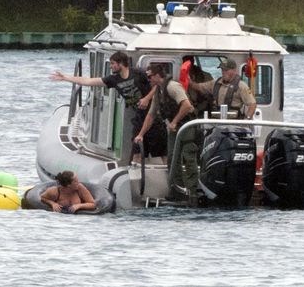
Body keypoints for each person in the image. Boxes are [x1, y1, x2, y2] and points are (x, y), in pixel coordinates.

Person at [51, 51, 162, 163]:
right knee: (136, 151)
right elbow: (89, 81)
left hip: (154, 115)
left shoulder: (139, 73)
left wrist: (147, 99)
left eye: (113, 63)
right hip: (140, 116)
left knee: (158, 150)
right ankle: (135, 173)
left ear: (121, 64)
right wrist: (66, 77)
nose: (111, 66)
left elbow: (158, 84)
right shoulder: (114, 79)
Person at [134, 64, 199, 201]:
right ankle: (177, 191)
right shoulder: (158, 91)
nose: (149, 79)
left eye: (150, 76)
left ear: (158, 75)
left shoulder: (172, 87)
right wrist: (141, 134)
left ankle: (192, 192)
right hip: (174, 129)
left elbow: (186, 105)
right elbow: (151, 115)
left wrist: (174, 121)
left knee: (188, 157)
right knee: (172, 158)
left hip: (186, 126)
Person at [190, 58, 257, 119]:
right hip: (216, 122)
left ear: (234, 70)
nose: (223, 72)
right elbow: (198, 87)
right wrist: (188, 81)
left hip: (233, 122)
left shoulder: (242, 86)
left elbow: (252, 104)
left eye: (226, 70)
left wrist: (246, 119)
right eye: (222, 69)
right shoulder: (215, 83)